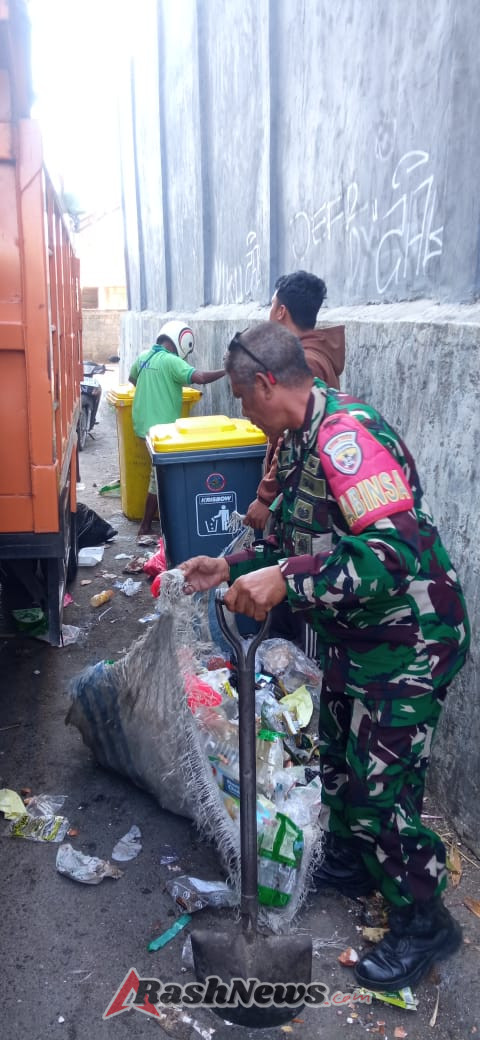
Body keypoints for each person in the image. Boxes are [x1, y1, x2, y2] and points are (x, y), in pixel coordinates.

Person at [179, 322, 470, 993]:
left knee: (380, 791)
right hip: (359, 640)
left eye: (244, 404)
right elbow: (292, 541)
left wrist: (287, 581)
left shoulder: (345, 440)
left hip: (410, 641)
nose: (245, 418)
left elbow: (393, 555)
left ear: (265, 384)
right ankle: (352, 859)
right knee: (335, 757)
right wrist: (226, 571)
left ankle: (425, 922)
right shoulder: (298, 442)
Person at [244, 270, 345, 531]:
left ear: (281, 312)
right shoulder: (311, 355)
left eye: (272, 306)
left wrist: (265, 498)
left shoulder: (305, 363)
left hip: (303, 488)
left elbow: (290, 436)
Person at [129, 321, 225, 537]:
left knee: (161, 474)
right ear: (183, 342)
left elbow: (132, 379)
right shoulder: (172, 362)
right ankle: (145, 527)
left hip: (142, 425)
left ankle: (164, 521)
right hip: (161, 429)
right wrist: (226, 370)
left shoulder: (144, 357)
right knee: (158, 476)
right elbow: (199, 377)